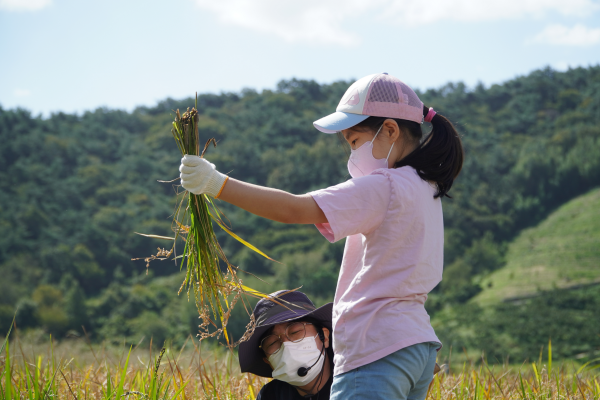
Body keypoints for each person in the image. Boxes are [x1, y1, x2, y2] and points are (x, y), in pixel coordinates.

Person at [179, 72, 464, 400]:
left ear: (389, 130)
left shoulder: (384, 185)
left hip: (375, 344)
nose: (352, 154)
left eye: (354, 141)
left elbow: (293, 209)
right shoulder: (427, 188)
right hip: (418, 345)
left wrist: (216, 184)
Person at [239, 290, 334, 400]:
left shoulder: (353, 384)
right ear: (267, 360)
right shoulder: (270, 395)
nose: (286, 345)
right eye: (272, 343)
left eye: (295, 332)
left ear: (324, 336)